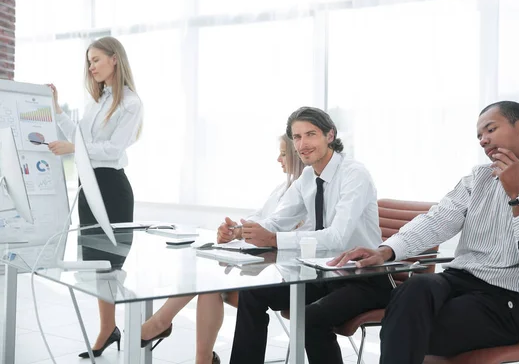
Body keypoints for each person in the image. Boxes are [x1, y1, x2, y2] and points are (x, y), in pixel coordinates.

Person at [329, 101, 519, 364]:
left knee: (402, 325)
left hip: (504, 300)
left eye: (490, 129)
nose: (483, 140)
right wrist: (386, 250)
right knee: (415, 287)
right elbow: (436, 220)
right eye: (479, 135)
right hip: (456, 281)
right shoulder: (479, 178)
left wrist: (517, 195)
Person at [229, 106, 390, 364]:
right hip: (325, 274)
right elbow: (278, 220)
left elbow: (337, 237)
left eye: (310, 134)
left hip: (365, 278)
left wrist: (272, 239)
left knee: (310, 317)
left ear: (330, 135)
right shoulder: (307, 176)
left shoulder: (354, 174)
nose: (302, 144)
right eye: (297, 137)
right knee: (252, 294)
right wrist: (242, 231)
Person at [140, 134, 307, 364]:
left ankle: (160, 323)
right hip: (263, 266)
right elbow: (259, 218)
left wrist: (243, 232)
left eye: (284, 153)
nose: (278, 159)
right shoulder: (283, 188)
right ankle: (202, 359)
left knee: (210, 279)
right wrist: (233, 230)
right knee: (209, 282)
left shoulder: (306, 192)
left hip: (281, 275)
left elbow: (277, 228)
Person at [48, 36, 143, 359]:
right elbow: (77, 136)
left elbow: (113, 149)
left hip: (112, 188)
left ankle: (125, 326)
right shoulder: (97, 100)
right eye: (89, 62)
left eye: (96, 59)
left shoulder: (130, 103)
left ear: (115, 59)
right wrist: (57, 110)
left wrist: (75, 149)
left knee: (111, 265)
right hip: (88, 186)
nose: (91, 66)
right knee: (98, 265)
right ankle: (109, 327)